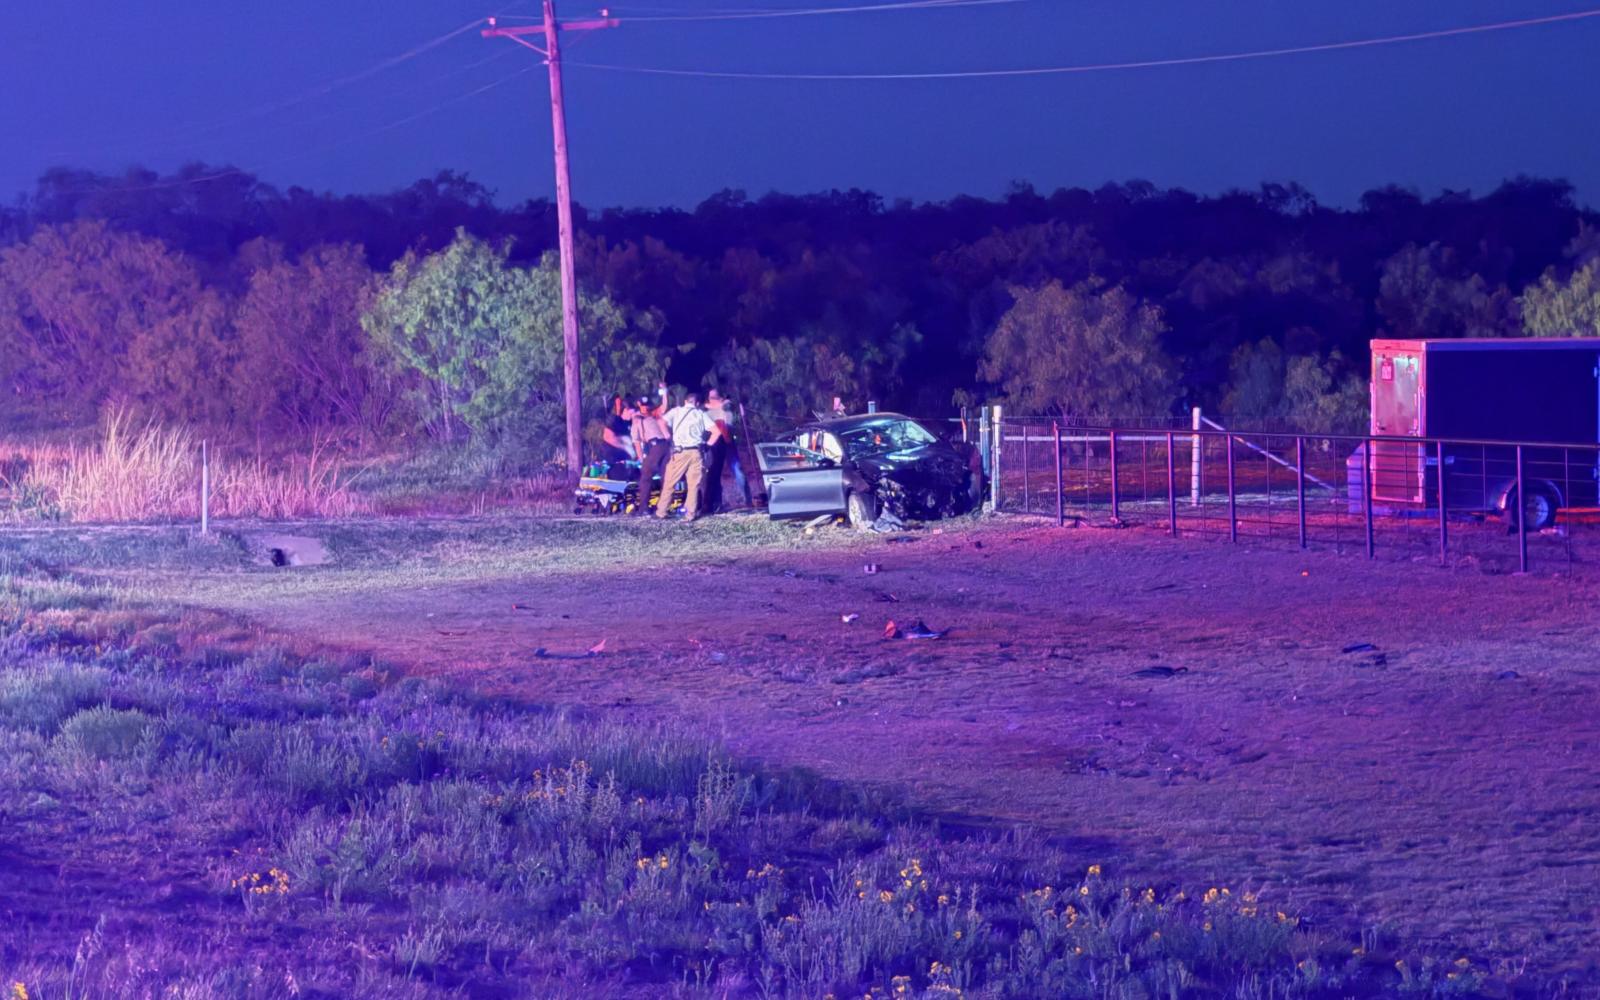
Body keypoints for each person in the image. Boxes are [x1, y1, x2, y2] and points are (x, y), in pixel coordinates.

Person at [656, 392, 722, 521]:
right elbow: (716, 432)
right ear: (697, 403)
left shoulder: (676, 411)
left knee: (670, 482)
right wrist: (707, 445)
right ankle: (690, 514)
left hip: (680, 452)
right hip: (696, 453)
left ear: (685, 401)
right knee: (693, 485)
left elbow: (661, 422)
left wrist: (668, 436)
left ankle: (661, 511)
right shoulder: (701, 414)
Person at [701, 389, 752, 512]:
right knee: (715, 472)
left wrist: (724, 404)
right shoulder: (707, 411)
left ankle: (747, 500)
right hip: (716, 443)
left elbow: (730, 418)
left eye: (716, 397)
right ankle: (717, 503)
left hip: (727, 441)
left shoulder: (726, 409)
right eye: (712, 397)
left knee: (736, 469)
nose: (714, 399)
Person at [629, 385, 672, 515]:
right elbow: (636, 441)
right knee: (646, 476)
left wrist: (664, 392)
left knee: (665, 477)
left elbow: (664, 406)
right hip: (653, 446)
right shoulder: (637, 419)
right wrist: (640, 457)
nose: (646, 408)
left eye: (647, 405)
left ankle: (661, 507)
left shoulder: (655, 414)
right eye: (643, 406)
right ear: (639, 405)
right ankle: (644, 508)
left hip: (664, 446)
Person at [600, 395, 635, 466]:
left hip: (626, 459)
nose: (631, 414)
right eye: (630, 412)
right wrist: (625, 446)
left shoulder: (630, 423)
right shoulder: (615, 421)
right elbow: (608, 437)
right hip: (614, 458)